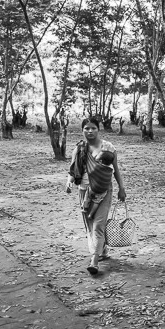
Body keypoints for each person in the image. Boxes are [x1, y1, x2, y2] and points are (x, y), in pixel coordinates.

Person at [67, 117, 126, 275]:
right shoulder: (79, 148)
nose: (90, 131)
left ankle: (94, 260)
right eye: (86, 128)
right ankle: (102, 250)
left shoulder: (108, 147)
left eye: (93, 128)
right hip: (84, 190)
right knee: (90, 225)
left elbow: (116, 170)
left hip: (104, 190)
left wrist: (121, 188)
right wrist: (69, 183)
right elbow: (73, 170)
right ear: (82, 130)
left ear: (98, 129)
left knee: (98, 225)